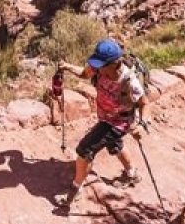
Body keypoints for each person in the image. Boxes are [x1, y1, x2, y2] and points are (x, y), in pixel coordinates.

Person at [54, 38, 151, 208]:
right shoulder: (99, 68)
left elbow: (144, 103)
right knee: (115, 145)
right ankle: (132, 174)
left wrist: (143, 123)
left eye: (101, 65)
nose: (97, 68)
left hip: (118, 122)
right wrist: (67, 67)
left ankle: (74, 190)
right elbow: (85, 74)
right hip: (105, 116)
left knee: (85, 150)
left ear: (115, 63)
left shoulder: (129, 81)